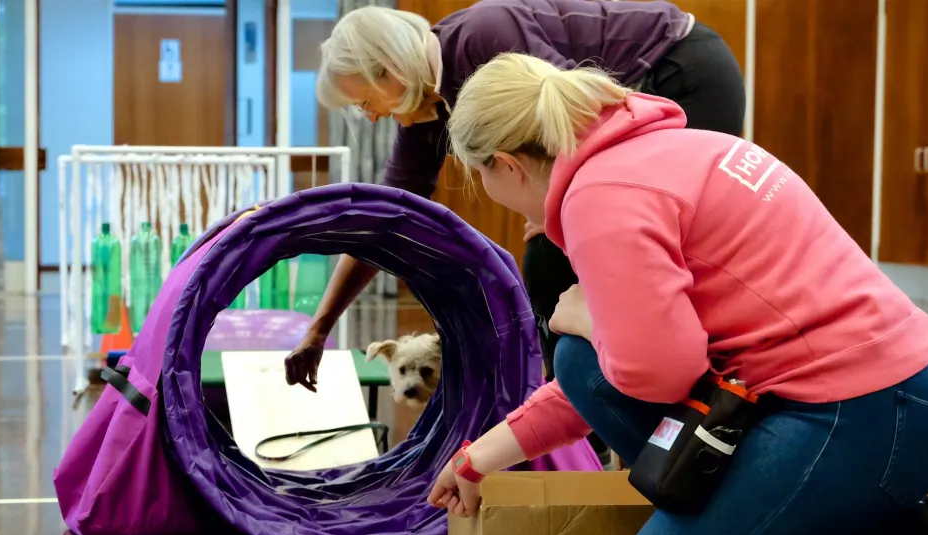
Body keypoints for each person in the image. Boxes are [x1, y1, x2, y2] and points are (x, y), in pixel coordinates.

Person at [427, 51, 928, 535]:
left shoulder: (602, 198)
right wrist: (478, 459)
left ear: (505, 166)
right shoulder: (675, 149)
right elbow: (608, 374)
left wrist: (585, 316)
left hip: (862, 414)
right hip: (880, 401)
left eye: (484, 181)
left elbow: (659, 373)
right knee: (581, 359)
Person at [285, 0, 746, 461]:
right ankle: (590, 438)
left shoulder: (484, 36)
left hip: (679, 68)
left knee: (561, 258)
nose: (369, 116)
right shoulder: (429, 107)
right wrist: (319, 329)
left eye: (365, 101)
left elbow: (589, 106)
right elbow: (381, 224)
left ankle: (650, 425)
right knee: (550, 264)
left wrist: (557, 202)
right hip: (621, 111)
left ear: (388, 73)